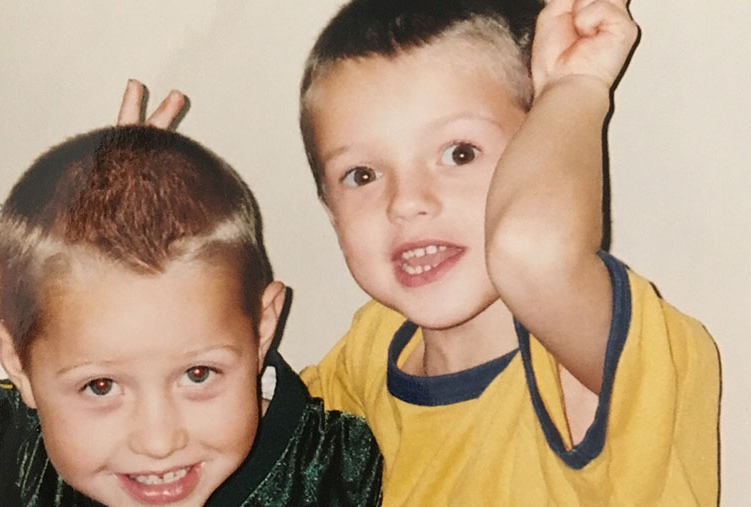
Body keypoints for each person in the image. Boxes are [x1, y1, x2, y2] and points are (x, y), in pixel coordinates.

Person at [295, 0, 720, 505]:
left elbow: (530, 252)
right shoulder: (372, 346)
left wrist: (573, 85)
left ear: (538, 150)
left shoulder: (597, 359)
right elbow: (253, 441)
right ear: (328, 206)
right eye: (362, 175)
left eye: (460, 153)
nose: (406, 203)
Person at [0, 125, 382, 506]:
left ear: (262, 330)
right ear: (17, 364)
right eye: (101, 386)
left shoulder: (343, 471)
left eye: (199, 374)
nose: (159, 442)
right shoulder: (15, 454)